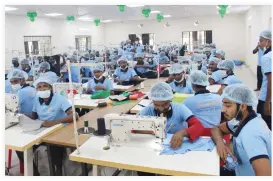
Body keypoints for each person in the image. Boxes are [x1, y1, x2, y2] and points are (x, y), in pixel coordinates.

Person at [137, 82, 205, 176]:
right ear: (152, 101)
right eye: (157, 105)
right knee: (143, 168)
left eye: (164, 104)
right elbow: (135, 127)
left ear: (170, 100)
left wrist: (182, 132)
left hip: (174, 149)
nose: (160, 108)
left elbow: (198, 126)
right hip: (154, 149)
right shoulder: (146, 111)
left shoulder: (180, 108)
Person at [211, 84, 271, 176]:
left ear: (243, 107)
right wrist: (220, 143)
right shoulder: (244, 120)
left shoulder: (251, 135)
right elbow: (216, 129)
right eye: (223, 104)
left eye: (228, 106)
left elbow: (265, 175)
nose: (222, 110)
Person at [24, 77, 78, 176]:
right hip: (42, 129)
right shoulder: (37, 100)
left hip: (58, 129)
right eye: (39, 87)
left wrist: (54, 122)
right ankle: (35, 173)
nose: (42, 89)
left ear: (51, 88)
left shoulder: (59, 99)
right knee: (22, 147)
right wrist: (19, 114)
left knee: (53, 146)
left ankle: (58, 171)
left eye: (45, 86)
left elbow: (75, 115)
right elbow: (34, 116)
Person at [257, 30, 272, 130]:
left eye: (261, 40)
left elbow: (270, 81)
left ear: (268, 41)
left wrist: (267, 102)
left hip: (266, 97)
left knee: (265, 124)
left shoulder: (267, 57)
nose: (259, 42)